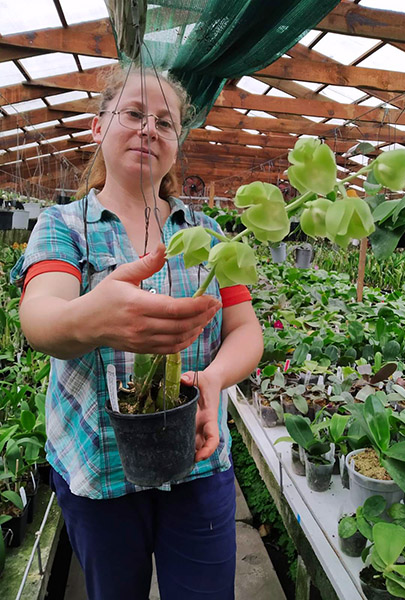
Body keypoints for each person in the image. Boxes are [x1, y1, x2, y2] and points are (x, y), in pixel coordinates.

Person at [11, 66, 264, 600]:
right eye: (133, 113)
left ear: (177, 145)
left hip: (197, 458)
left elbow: (245, 330)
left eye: (165, 122)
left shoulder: (209, 235)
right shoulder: (63, 226)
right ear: (99, 126)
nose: (149, 128)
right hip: (98, 469)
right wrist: (91, 318)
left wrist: (215, 377)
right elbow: (41, 318)